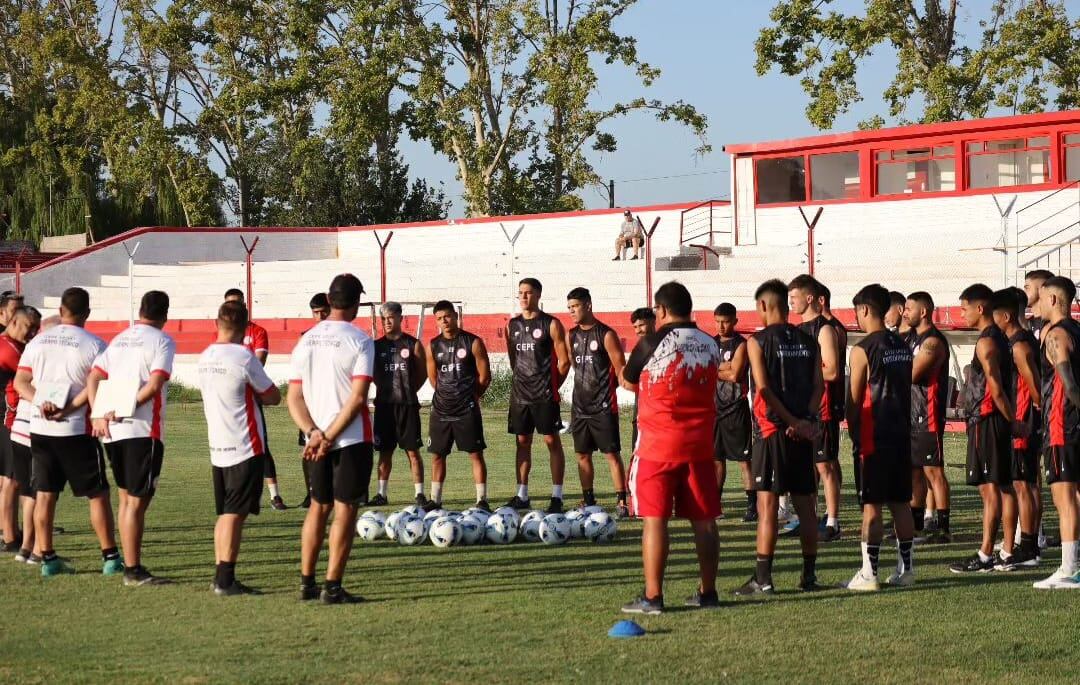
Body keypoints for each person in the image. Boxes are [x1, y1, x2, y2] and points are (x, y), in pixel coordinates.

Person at [620, 281, 721, 614]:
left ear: (660, 311)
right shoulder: (710, 343)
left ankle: (653, 596)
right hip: (701, 446)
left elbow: (629, 377)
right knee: (704, 522)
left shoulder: (651, 341)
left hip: (657, 446)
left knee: (655, 521)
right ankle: (708, 592)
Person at [13, 287, 118, 577]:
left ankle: (48, 558)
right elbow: (96, 386)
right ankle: (110, 556)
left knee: (45, 494)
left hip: (40, 428)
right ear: (87, 313)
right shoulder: (95, 345)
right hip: (75, 430)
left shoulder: (37, 342)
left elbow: (21, 382)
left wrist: (42, 403)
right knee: (97, 494)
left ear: (61, 311)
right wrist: (69, 409)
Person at [287, 274, 374, 604]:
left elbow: (293, 397)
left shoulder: (306, 340)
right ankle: (332, 586)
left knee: (317, 509)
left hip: (314, 441)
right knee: (345, 511)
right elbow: (356, 400)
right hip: (350, 440)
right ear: (355, 303)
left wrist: (313, 434)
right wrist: (330, 437)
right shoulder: (360, 340)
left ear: (329, 298)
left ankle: (306, 583)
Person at [736, 279, 824, 595]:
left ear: (763, 306)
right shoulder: (809, 341)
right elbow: (819, 387)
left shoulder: (756, 341)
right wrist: (805, 420)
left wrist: (790, 421)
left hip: (771, 431)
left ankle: (763, 578)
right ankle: (809, 577)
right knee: (806, 506)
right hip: (801, 432)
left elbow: (763, 389)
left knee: (768, 505)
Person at [85, 291, 176, 586]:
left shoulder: (121, 339)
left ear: (140, 310)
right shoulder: (162, 341)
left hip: (114, 433)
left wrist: (98, 412)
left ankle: (130, 564)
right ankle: (133, 570)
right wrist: (122, 407)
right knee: (137, 502)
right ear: (165, 314)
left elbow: (93, 377)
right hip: (141, 430)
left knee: (127, 499)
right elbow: (154, 385)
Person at [198, 300, 281, 595]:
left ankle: (220, 573)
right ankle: (225, 579)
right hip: (244, 444)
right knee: (235, 513)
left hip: (217, 445)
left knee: (226, 512)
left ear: (216, 324)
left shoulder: (205, 356)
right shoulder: (244, 358)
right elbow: (271, 396)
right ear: (246, 326)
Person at [844, 284, 916, 591]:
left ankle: (869, 573)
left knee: (871, 505)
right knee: (900, 502)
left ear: (863, 310)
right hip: (901, 432)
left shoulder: (862, 349)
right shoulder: (902, 344)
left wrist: (853, 431)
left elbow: (854, 398)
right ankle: (906, 569)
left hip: (875, 434)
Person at [950, 283, 1019, 573]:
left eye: (965, 308)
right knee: (1003, 486)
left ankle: (986, 554)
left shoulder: (988, 341)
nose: (961, 314)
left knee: (991, 489)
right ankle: (1005, 551)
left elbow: (996, 387)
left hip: (988, 421)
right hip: (991, 421)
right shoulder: (997, 338)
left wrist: (1012, 421)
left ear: (980, 308)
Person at [505, 278, 570, 513]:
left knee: (552, 441)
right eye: (520, 293)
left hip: (544, 396)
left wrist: (552, 385)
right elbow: (514, 361)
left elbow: (564, 362)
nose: (523, 297)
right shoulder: (511, 325)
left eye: (528, 293)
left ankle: (556, 496)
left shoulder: (551, 324)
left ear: (538, 295)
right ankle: (522, 495)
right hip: (520, 397)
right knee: (522, 443)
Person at [989, 287, 1041, 570]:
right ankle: (1027, 542)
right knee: (1024, 483)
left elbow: (1035, 389)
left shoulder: (1019, 345)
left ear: (1006, 316)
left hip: (1024, 420)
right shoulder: (1015, 342)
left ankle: (1029, 547)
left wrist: (1029, 421)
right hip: (1021, 420)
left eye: (994, 315)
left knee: (1024, 484)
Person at [1033, 275, 1080, 589]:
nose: (1036, 304)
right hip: (1071, 423)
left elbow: (1070, 385)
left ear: (1052, 299)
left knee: (1064, 498)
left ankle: (1068, 568)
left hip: (1061, 424)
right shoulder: (1077, 330)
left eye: (1040, 297)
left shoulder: (1057, 335)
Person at [788, 275, 842, 542]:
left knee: (825, 465)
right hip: (803, 409)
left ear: (809, 298)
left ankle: (833, 522)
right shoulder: (797, 331)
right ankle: (809, 517)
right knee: (808, 467)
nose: (790, 303)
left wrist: (804, 372)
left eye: (794, 297)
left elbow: (831, 370)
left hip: (823, 409)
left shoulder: (824, 329)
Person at [566, 288, 628, 517]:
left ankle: (622, 501)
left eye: (575, 306)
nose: (572, 311)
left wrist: (603, 391)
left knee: (611, 454)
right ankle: (589, 499)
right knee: (582, 455)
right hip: (579, 407)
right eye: (569, 308)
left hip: (603, 406)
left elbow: (621, 370)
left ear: (588, 305)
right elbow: (576, 367)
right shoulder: (571, 335)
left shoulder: (606, 334)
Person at [222, 288, 286, 510]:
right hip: (227, 400)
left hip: (251, 398)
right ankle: (237, 494)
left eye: (237, 304)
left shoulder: (257, 331)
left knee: (261, 445)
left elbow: (258, 365)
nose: (234, 309)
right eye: (230, 305)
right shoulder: (221, 335)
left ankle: (274, 495)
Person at [426, 300, 492, 510]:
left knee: (475, 454)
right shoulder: (433, 345)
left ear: (455, 316)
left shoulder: (473, 342)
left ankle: (481, 500)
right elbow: (433, 379)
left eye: (447, 316)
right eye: (439, 318)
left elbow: (485, 377)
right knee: (437, 455)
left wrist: (472, 397)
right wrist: (447, 396)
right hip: (441, 410)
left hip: (466, 410)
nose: (444, 321)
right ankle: (435, 500)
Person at [903, 292, 953, 543]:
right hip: (911, 413)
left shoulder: (933, 341)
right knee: (914, 472)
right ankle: (916, 527)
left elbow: (911, 374)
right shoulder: (912, 338)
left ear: (923, 311)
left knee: (934, 472)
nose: (904, 312)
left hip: (928, 414)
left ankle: (943, 529)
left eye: (909, 308)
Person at [369, 302, 429, 509]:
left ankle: (420, 493)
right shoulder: (375, 346)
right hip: (385, 407)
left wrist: (408, 391)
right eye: (383, 319)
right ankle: (381, 493)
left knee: (413, 451)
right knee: (384, 452)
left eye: (390, 318)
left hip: (407, 406)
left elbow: (422, 373)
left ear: (400, 319)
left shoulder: (413, 344)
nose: (387, 322)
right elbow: (375, 375)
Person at [0, 307, 39, 556]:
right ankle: (10, 537)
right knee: (12, 480)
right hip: (7, 419)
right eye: (29, 327)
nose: (32, 333)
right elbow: (30, 377)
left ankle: (10, 533)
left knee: (7, 479)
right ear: (14, 321)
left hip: (5, 417)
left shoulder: (7, 343)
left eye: (36, 328)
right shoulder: (10, 349)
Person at [712, 303, 755, 522]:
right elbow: (706, 369)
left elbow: (736, 374)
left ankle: (752, 505)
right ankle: (715, 505)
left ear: (735, 321)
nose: (721, 326)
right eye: (717, 321)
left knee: (744, 460)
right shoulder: (710, 343)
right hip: (714, 410)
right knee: (716, 460)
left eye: (725, 321)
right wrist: (724, 368)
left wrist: (717, 369)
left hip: (735, 408)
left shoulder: (741, 344)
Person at [297, 292, 330, 509]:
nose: (319, 316)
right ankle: (311, 492)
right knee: (308, 449)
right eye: (315, 312)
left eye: (323, 312)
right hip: (312, 402)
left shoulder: (341, 336)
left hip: (334, 401)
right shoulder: (305, 338)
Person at [1023, 269, 1054, 340]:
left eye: (1027, 288)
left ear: (1042, 290)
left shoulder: (1053, 325)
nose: (1023, 292)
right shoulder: (1027, 323)